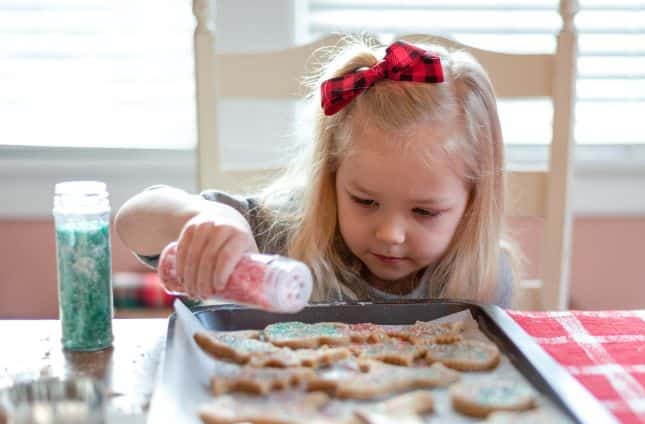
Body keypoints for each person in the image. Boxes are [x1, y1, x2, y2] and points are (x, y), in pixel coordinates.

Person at [115, 36, 518, 306]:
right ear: (330, 177)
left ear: (472, 202)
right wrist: (210, 218)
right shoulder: (282, 235)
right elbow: (134, 221)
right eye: (365, 201)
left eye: (425, 212)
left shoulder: (482, 278)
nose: (390, 234)